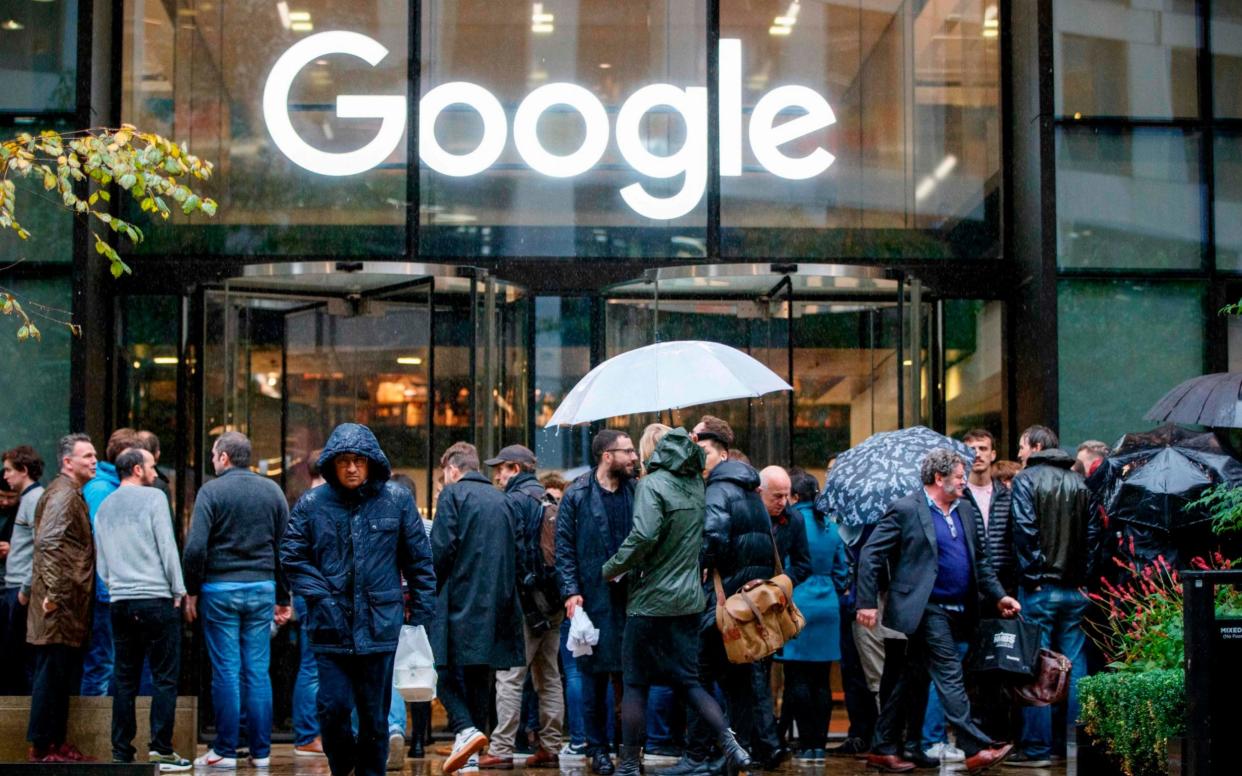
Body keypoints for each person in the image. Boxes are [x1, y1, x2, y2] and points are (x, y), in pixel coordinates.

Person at [282, 424, 436, 776]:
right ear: (332, 465)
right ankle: (343, 765)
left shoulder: (396, 500)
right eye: (344, 461)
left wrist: (422, 617)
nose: (352, 468)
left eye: (359, 461)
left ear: (371, 463)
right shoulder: (312, 504)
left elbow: (419, 559)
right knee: (333, 708)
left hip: (379, 626)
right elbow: (291, 555)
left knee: (374, 717)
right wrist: (319, 594)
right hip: (330, 626)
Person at [856, 448, 1020, 774]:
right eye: (959, 477)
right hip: (926, 609)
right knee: (949, 673)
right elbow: (871, 554)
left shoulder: (967, 511)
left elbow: (981, 563)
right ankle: (975, 747)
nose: (964, 482)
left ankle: (885, 746)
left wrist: (1000, 596)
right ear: (938, 478)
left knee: (910, 679)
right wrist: (866, 602)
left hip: (961, 610)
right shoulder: (906, 509)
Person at [601, 424, 752, 776]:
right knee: (689, 682)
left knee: (636, 683)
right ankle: (731, 744)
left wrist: (611, 567)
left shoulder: (651, 485)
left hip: (649, 602)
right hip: (687, 602)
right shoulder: (696, 485)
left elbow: (643, 535)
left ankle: (627, 764)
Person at [673, 415, 779, 776]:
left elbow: (714, 537)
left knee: (698, 678)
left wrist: (700, 562)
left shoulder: (718, 489)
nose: (698, 457)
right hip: (743, 604)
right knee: (738, 684)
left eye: (702, 449)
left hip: (718, 605)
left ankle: (697, 756)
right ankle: (738, 754)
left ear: (721, 453)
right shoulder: (750, 490)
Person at [183, 431, 291, 768]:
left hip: (219, 590)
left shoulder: (211, 492)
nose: (213, 460)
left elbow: (196, 547)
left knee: (227, 671)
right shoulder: (272, 491)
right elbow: (285, 549)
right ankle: (261, 752)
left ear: (224, 457)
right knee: (258, 671)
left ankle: (226, 750)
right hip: (261, 588)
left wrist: (192, 589)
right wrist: (283, 595)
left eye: (214, 455)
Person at [94, 447, 191, 771]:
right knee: (164, 677)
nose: (154, 472)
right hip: (156, 598)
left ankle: (122, 750)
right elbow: (167, 544)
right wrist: (178, 588)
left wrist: (114, 586)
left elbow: (102, 561)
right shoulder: (153, 499)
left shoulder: (104, 507)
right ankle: (161, 748)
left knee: (124, 678)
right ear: (136, 469)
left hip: (120, 601)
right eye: (150, 466)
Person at [431, 441, 525, 774]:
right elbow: (518, 553)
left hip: (458, 601)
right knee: (479, 679)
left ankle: (465, 729)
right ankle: (470, 752)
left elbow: (441, 549)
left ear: (453, 469)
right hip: (498, 603)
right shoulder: (504, 500)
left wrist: (426, 589)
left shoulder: (453, 496)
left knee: (439, 671)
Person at [1008, 425, 1099, 768]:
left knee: (1036, 667)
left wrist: (1032, 578)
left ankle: (1036, 749)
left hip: (1040, 589)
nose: (1018, 454)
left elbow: (1024, 531)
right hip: (1074, 590)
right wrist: (1082, 578)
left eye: (1021, 446)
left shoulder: (1026, 480)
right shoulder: (1079, 482)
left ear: (1035, 446)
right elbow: (1093, 537)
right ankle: (1075, 743)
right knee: (1075, 667)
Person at [556, 429, 639, 776]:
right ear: (608, 455)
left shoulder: (638, 491)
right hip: (593, 597)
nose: (634, 456)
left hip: (633, 598)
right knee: (592, 679)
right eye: (628, 451)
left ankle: (630, 751)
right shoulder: (576, 495)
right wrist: (570, 591)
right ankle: (598, 749)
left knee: (631, 678)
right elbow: (564, 547)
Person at [480, 444, 565, 770]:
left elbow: (506, 556)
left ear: (516, 469)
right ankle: (551, 745)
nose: (497, 475)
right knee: (549, 675)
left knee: (510, 676)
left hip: (524, 603)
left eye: (500, 468)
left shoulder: (513, 502)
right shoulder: (548, 499)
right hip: (552, 602)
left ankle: (501, 747)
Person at [26, 433, 99, 763]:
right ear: (68, 462)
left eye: (94, 455)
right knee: (52, 675)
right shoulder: (63, 496)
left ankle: (55, 743)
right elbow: (49, 544)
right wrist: (55, 595)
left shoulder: (71, 493)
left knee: (60, 676)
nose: (94, 460)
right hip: (59, 604)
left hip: (68, 604)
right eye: (87, 456)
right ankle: (43, 746)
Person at [774, 470, 849, 762]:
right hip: (827, 604)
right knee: (821, 680)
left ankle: (805, 745)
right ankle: (819, 745)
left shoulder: (790, 522)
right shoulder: (830, 526)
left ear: (793, 496)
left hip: (796, 601)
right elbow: (842, 571)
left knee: (797, 678)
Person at [80, 427, 138, 696]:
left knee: (111, 661)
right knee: (103, 662)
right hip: (107, 589)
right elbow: (100, 539)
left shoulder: (110, 485)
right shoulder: (103, 488)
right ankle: (95, 733)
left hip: (115, 587)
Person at [1, 445, 42, 695]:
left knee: (23, 657)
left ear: (23, 470)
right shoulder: (28, 499)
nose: (4, 476)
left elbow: (42, 547)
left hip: (20, 588)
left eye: (8, 470)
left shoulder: (35, 499)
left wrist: (25, 589)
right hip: (15, 585)